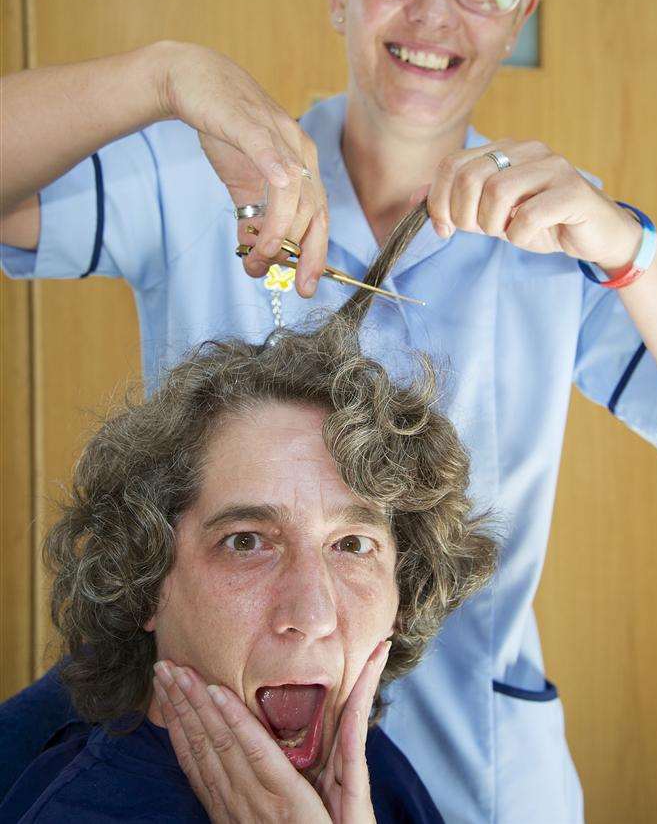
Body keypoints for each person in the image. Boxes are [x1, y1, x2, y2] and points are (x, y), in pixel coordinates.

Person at [0, 0, 657, 821]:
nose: (434, 10)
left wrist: (631, 253)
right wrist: (162, 76)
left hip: (477, 776)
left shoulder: (562, 233)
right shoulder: (203, 172)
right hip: (215, 769)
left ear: (521, 8)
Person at [0, 222, 497, 822]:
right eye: (246, 542)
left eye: (352, 544)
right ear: (145, 580)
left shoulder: (371, 770)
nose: (311, 616)